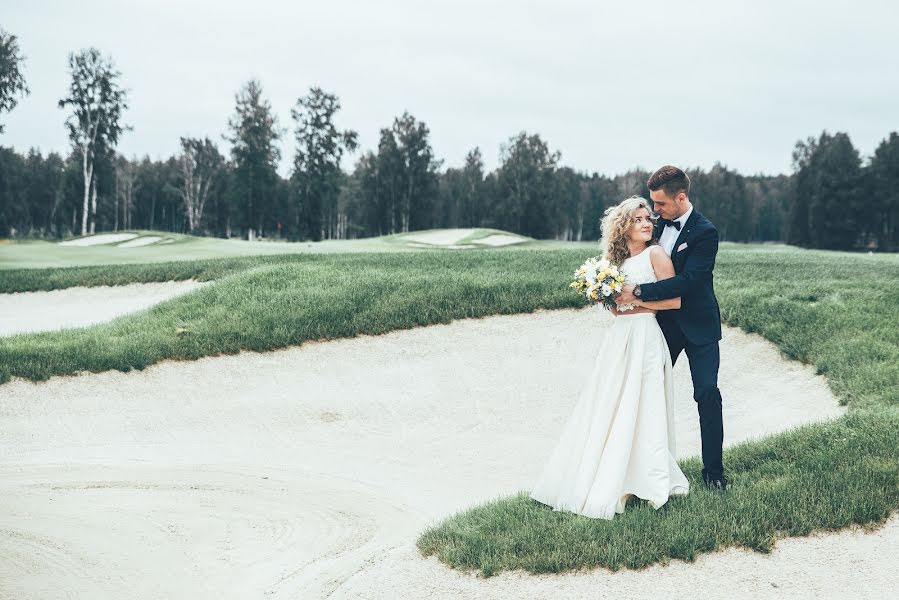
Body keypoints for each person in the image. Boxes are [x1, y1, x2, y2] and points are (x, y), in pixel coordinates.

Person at [530, 196, 689, 519]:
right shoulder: (617, 266)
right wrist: (612, 301)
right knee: (612, 401)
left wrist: (637, 305)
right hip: (620, 339)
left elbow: (674, 302)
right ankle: (609, 472)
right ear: (623, 227)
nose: (647, 223)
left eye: (648, 218)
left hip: (646, 336)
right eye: (638, 219)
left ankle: (648, 479)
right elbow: (617, 310)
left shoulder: (656, 255)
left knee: (645, 404)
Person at [616, 165, 727, 490]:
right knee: (647, 392)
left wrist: (638, 292)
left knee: (706, 393)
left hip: (699, 325)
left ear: (681, 197)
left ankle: (714, 474)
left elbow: (689, 282)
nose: (655, 211)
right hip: (660, 324)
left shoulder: (706, 232)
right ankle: (642, 468)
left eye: (661, 204)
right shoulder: (656, 227)